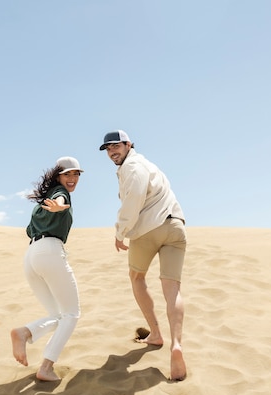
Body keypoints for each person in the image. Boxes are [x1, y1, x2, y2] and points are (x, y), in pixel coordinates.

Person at [99, 130, 188, 381]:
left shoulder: (133, 167)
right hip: (176, 226)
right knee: (173, 288)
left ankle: (157, 334)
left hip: (149, 229)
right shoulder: (149, 165)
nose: (112, 152)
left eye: (116, 146)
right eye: (107, 149)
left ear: (128, 144)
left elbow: (133, 201)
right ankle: (176, 344)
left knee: (137, 277)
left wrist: (120, 232)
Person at [10, 156, 84, 382]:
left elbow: (29, 230)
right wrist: (61, 206)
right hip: (50, 252)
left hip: (31, 255)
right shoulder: (59, 194)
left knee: (58, 315)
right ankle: (46, 366)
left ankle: (25, 332)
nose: (72, 179)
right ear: (57, 176)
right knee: (72, 314)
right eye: (67, 174)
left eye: (76, 174)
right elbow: (61, 200)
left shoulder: (41, 202)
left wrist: (54, 210)